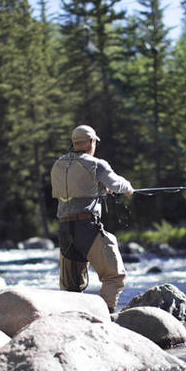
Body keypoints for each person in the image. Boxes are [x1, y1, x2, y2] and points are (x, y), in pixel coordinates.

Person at [51, 124, 134, 313]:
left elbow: (76, 189)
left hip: (64, 230)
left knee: (70, 288)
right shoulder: (97, 164)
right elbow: (119, 185)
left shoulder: (58, 165)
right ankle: (106, 314)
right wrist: (129, 188)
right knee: (115, 276)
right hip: (87, 228)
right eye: (94, 142)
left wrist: (101, 189)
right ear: (90, 142)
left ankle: (72, 318)